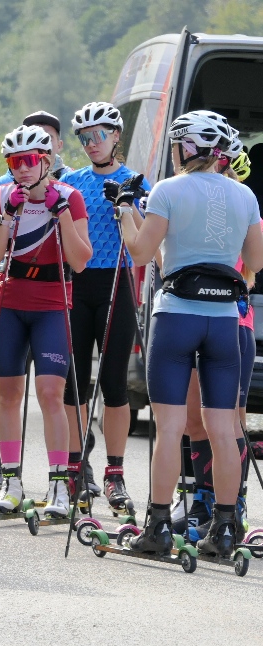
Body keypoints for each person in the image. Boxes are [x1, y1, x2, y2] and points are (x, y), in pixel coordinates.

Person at [121, 110, 263, 558]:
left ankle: (159, 528)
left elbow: (143, 251)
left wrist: (126, 210)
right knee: (224, 429)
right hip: (224, 320)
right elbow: (255, 263)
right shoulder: (244, 196)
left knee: (170, 428)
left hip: (177, 315)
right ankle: (224, 530)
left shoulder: (168, 189)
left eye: (179, 144)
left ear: (190, 147)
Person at [0, 125, 92, 518]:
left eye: (28, 161)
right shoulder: (1, 195)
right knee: (8, 394)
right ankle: (11, 481)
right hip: (8, 301)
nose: (21, 170)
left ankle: (60, 485)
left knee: (49, 394)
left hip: (52, 304)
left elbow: (79, 260)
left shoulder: (70, 197)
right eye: (13, 162)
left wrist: (59, 213)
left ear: (46, 161)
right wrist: (8, 216)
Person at [57, 101, 151, 513]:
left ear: (117, 136)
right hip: (77, 285)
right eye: (84, 137)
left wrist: (129, 206)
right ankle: (76, 468)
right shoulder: (72, 181)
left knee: (114, 384)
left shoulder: (137, 180)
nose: (92, 143)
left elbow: (148, 242)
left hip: (117, 284)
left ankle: (115, 474)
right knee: (73, 381)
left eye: (100, 135)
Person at [172, 124, 258, 539]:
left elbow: (252, 270)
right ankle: (198, 502)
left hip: (232, 323)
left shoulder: (240, 202)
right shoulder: (189, 200)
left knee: (228, 422)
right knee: (192, 421)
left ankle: (232, 503)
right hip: (191, 316)